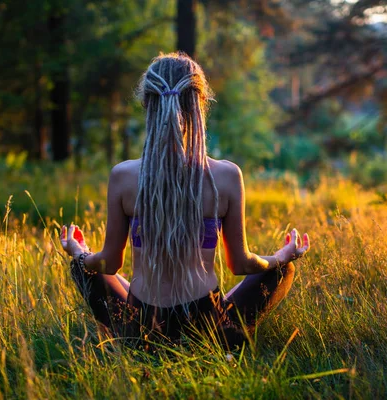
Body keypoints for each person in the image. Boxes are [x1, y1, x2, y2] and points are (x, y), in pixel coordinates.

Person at [60, 52, 310, 350]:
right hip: (207, 325)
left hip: (143, 325)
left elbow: (109, 263)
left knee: (83, 267)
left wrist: (80, 252)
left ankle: (132, 341)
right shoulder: (227, 175)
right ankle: (221, 343)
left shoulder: (124, 175)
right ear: (200, 104)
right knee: (282, 270)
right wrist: (282, 257)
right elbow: (241, 264)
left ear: (148, 104)